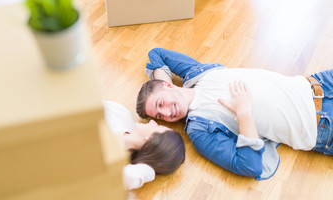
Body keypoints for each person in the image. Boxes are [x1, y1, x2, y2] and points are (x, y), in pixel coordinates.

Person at [136, 48, 333, 180]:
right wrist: (244, 113)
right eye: (160, 116)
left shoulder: (197, 74)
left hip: (319, 83)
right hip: (322, 123)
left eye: (161, 104)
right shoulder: (199, 130)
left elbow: (156, 53)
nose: (167, 113)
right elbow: (249, 166)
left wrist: (166, 87)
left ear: (168, 84)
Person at [103, 100, 185, 190]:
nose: (152, 122)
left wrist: (149, 168)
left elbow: (130, 177)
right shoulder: (121, 114)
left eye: (157, 126)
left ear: (150, 139)